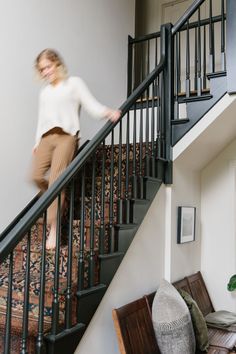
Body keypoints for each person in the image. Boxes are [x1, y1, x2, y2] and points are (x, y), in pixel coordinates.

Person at [31, 48, 121, 250]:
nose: (45, 72)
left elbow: (91, 105)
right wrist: (37, 141)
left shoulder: (74, 84)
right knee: (35, 176)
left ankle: (53, 230)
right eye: (42, 70)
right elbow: (41, 119)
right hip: (46, 137)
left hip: (66, 137)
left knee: (56, 181)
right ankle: (57, 198)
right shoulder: (44, 92)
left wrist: (108, 112)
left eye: (48, 67)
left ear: (57, 64)